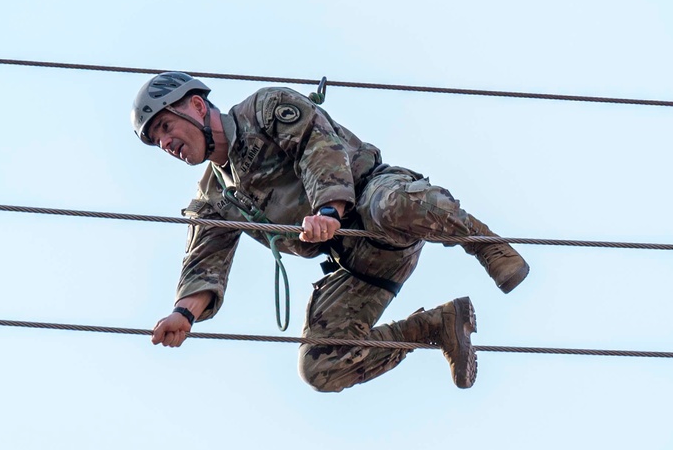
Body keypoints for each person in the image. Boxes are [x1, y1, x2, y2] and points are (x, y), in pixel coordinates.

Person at [131, 72, 531, 391]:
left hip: (371, 198)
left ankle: (487, 247)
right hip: (358, 262)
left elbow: (318, 149)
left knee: (394, 204)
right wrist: (183, 314)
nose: (166, 142)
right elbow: (205, 260)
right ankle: (435, 326)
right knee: (321, 366)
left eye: (166, 125)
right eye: (156, 140)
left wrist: (328, 210)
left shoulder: (264, 109)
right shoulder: (215, 195)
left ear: (197, 106)